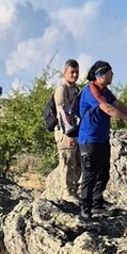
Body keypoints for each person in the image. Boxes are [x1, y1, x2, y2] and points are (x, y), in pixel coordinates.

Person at [76, 60, 127, 219]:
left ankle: (97, 204)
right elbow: (107, 108)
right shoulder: (91, 91)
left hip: (102, 138)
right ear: (101, 75)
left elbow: (117, 103)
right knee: (90, 174)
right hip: (89, 140)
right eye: (110, 72)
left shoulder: (106, 91)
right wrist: (125, 118)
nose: (113, 75)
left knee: (103, 172)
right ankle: (85, 208)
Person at [53, 59, 83, 203]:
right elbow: (61, 113)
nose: (75, 75)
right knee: (67, 161)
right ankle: (67, 192)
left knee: (77, 162)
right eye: (72, 72)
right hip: (65, 132)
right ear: (65, 72)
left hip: (75, 131)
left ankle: (74, 191)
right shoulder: (61, 89)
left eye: (76, 72)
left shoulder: (75, 89)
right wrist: (69, 133)